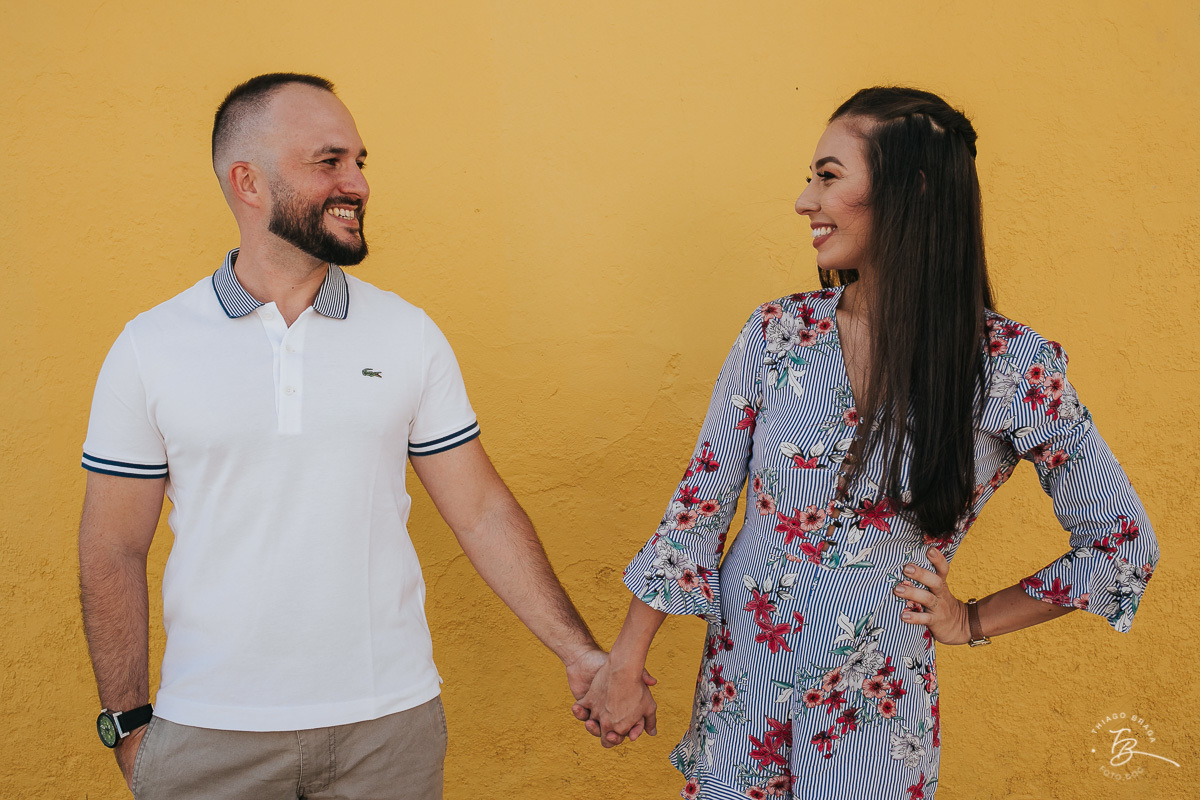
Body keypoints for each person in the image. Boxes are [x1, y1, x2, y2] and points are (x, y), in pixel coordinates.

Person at [572, 86, 1159, 799]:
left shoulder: (1011, 367)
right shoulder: (777, 335)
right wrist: (626, 665)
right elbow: (698, 508)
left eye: (827, 176)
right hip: (741, 709)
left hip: (874, 738)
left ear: (908, 191)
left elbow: (1123, 545)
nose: (804, 201)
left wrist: (970, 619)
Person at [78, 72, 641, 799]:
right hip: (210, 736)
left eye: (360, 162)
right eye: (329, 161)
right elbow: (112, 547)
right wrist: (128, 728)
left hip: (388, 731)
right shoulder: (149, 347)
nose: (358, 184)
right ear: (248, 181)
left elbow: (482, 511)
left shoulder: (408, 334)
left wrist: (579, 654)